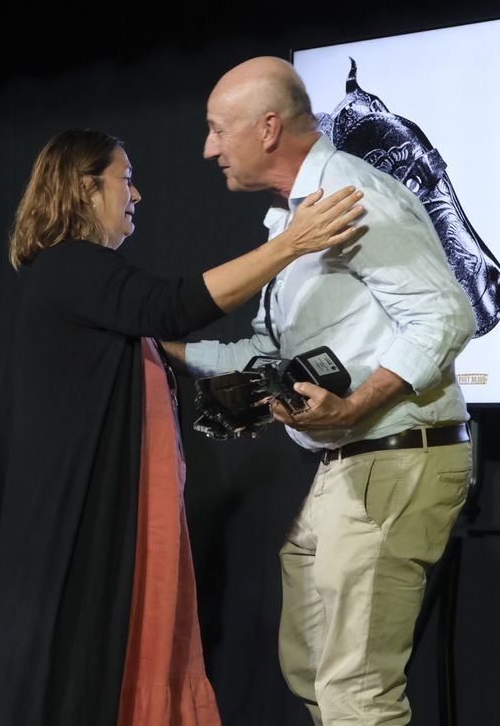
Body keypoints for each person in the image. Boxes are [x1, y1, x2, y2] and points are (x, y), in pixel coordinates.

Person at [0, 129, 364, 726]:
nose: (137, 194)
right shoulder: (71, 266)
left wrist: (248, 399)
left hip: (105, 510)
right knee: (81, 664)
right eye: (125, 179)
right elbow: (174, 306)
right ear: (83, 188)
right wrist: (292, 245)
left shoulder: (85, 280)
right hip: (79, 516)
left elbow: (152, 352)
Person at [165, 57, 476, 726]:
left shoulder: (352, 196)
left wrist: (359, 403)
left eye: (218, 130)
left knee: (355, 688)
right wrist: (163, 346)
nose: (208, 148)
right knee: (310, 663)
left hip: (396, 452)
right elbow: (269, 355)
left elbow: (447, 314)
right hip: (349, 463)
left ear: (268, 128)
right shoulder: (294, 220)